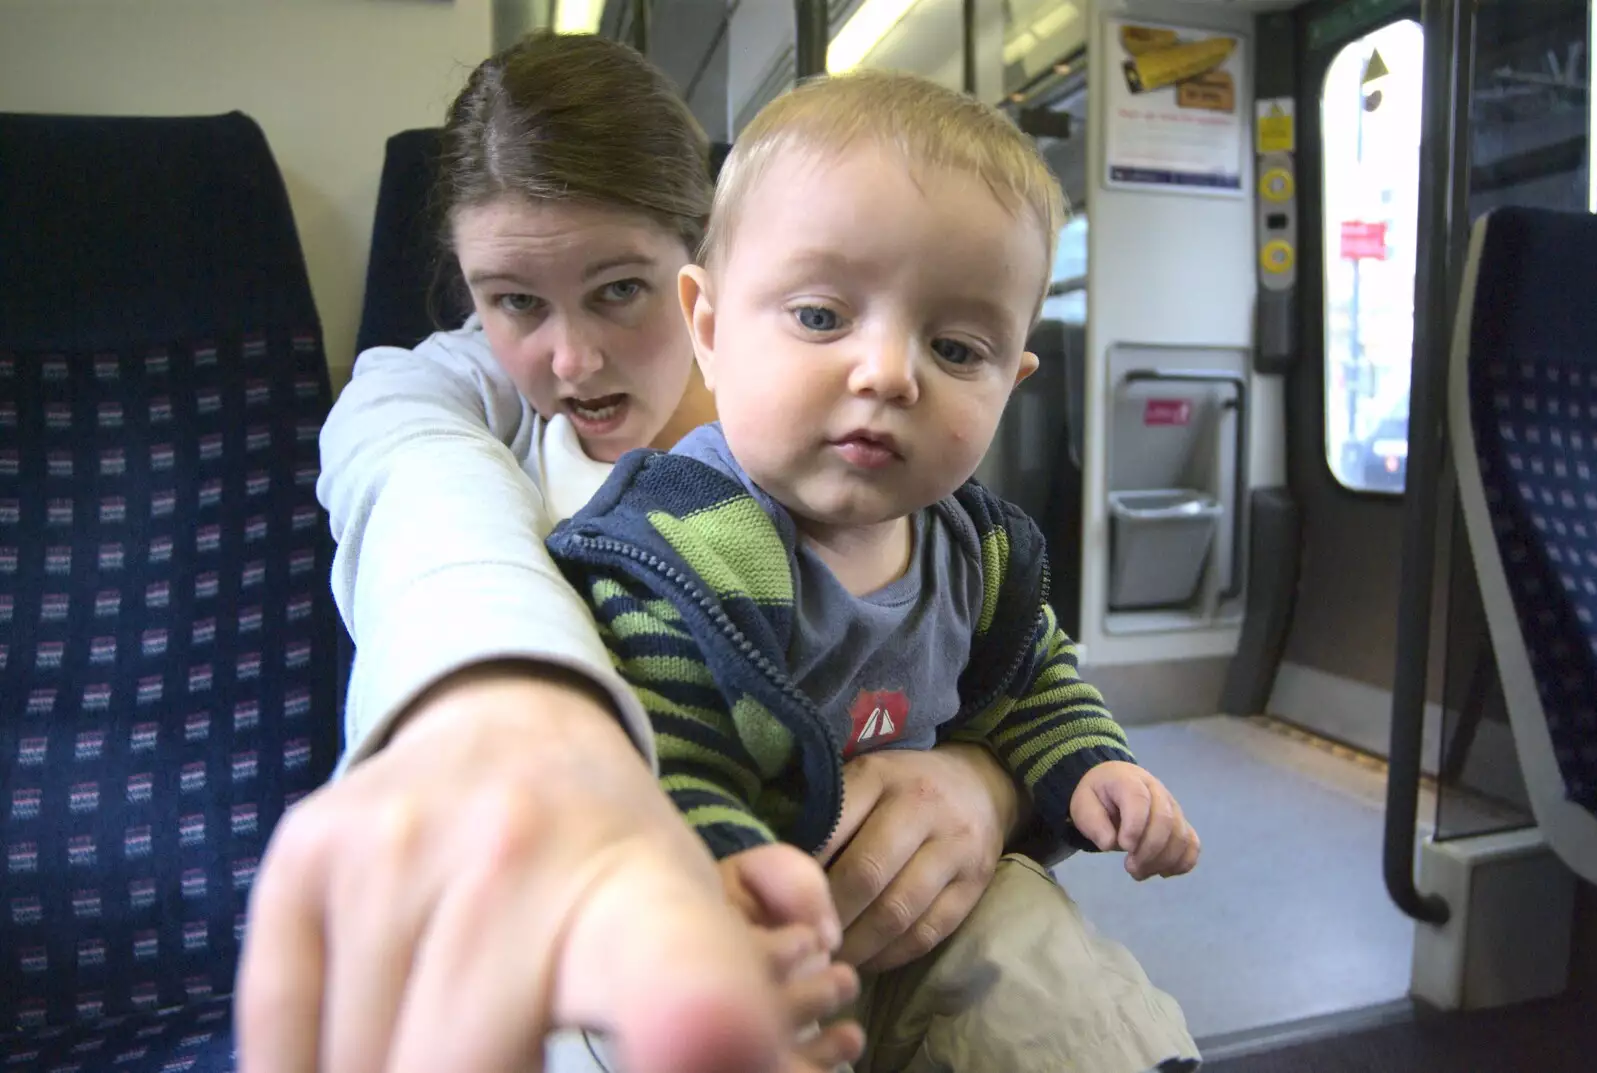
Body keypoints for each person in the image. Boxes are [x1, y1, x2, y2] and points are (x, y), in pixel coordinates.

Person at [235, 31, 1083, 1073]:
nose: (571, 358)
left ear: (705, 269)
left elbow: (1009, 666)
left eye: (619, 289)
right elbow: (423, 500)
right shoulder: (477, 424)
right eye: (512, 301)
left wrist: (987, 777)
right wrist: (506, 711)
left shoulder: (870, 455)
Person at [545, 70, 1203, 1073]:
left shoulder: (975, 552)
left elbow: (1031, 679)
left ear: (1011, 379)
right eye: (820, 317)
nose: (889, 372)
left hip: (923, 912)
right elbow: (666, 762)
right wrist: (732, 910)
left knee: (1037, 948)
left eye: (954, 346)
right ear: (710, 327)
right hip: (728, 928)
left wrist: (1092, 765)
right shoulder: (681, 545)